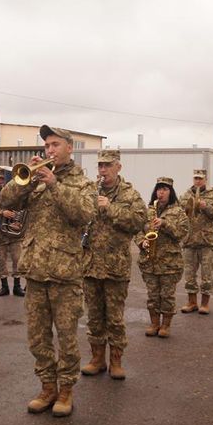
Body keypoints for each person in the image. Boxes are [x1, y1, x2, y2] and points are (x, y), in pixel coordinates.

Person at [1, 125, 96, 417]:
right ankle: (47, 386)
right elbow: (5, 200)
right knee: (37, 336)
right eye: (46, 146)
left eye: (55, 144)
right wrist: (24, 182)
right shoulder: (35, 180)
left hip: (65, 272)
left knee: (66, 335)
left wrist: (54, 184)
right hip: (35, 270)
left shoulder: (82, 182)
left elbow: (84, 214)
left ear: (69, 147)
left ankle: (66, 389)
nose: (49, 150)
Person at [81, 149, 147, 380]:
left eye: (107, 165)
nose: (102, 170)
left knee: (115, 317)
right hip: (90, 265)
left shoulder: (130, 194)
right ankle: (97, 358)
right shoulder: (90, 190)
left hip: (115, 266)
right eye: (100, 165)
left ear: (118, 167)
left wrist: (111, 208)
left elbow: (139, 221)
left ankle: (116, 361)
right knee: (94, 316)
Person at [136, 177, 189, 338]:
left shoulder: (178, 212)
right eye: (159, 189)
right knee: (152, 295)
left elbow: (182, 233)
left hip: (169, 263)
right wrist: (141, 241)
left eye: (165, 189)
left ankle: (165, 325)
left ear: (171, 192)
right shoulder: (148, 210)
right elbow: (137, 229)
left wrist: (165, 224)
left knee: (167, 295)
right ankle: (154, 323)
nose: (161, 192)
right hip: (149, 261)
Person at [179, 169, 213, 314]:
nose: (197, 181)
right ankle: (192, 302)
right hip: (189, 240)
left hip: (206, 241)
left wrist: (206, 207)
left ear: (205, 179)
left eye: (200, 179)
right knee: (189, 275)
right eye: (195, 178)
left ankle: (205, 304)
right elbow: (178, 213)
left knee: (207, 275)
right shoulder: (186, 195)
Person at [0, 168, 25, 297]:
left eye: (3, 178)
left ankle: (17, 287)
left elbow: (24, 209)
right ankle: (4, 287)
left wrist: (18, 219)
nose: (1, 181)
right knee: (0, 261)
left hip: (15, 234)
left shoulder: (16, 193)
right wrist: (2, 213)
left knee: (18, 260)